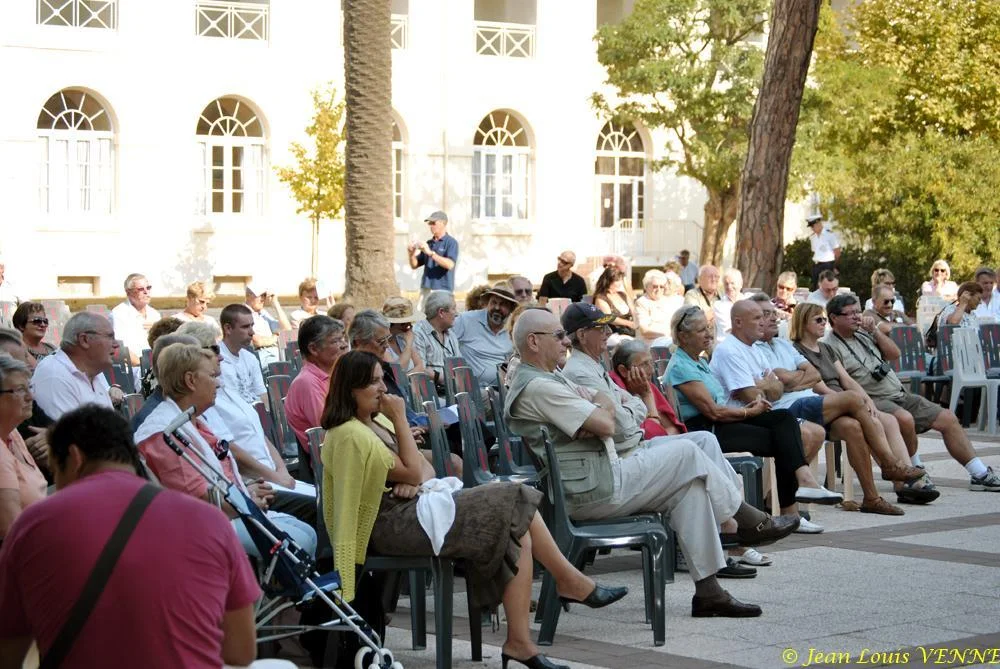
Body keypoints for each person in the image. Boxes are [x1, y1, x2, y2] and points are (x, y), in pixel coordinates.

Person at [322, 350, 627, 669]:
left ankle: (521, 641)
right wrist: (402, 430)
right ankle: (567, 583)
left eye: (382, 380)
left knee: (517, 528)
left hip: (414, 507)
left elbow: (425, 469)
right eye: (373, 382)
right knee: (514, 497)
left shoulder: (376, 421)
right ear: (350, 388)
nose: (383, 389)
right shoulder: (349, 433)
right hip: (388, 525)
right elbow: (413, 470)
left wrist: (411, 477)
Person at [506, 309, 798, 618]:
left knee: (689, 488)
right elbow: (609, 424)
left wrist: (605, 405)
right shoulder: (540, 386)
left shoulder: (551, 377)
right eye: (558, 336)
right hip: (593, 488)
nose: (565, 341)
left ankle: (709, 592)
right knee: (687, 453)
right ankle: (747, 521)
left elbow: (617, 411)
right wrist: (606, 407)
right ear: (534, 342)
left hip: (601, 472)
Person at [0, 405, 288, 668]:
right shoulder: (210, 520)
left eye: (55, 469)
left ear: (74, 458)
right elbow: (241, 651)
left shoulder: (31, 527)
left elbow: (11, 654)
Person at [563, 309, 761, 575]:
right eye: (601, 328)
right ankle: (736, 524)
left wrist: (636, 406)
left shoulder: (594, 365)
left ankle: (722, 546)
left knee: (704, 441)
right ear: (582, 334)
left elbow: (633, 409)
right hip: (618, 458)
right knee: (689, 456)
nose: (608, 333)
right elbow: (622, 426)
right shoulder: (580, 372)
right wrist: (638, 406)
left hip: (631, 446)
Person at [666, 304, 842, 531]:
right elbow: (714, 411)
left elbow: (776, 388)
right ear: (683, 336)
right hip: (707, 431)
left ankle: (800, 491)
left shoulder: (698, 361)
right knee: (786, 440)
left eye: (708, 328)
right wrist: (749, 411)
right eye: (701, 330)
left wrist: (760, 397)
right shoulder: (682, 366)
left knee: (783, 419)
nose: (709, 334)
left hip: (722, 421)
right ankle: (792, 508)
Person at [135, 343, 317, 558]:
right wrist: (247, 501)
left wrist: (247, 490)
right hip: (201, 525)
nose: (219, 383)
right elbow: (197, 499)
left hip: (230, 506)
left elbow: (221, 473)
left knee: (307, 533)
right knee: (301, 541)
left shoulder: (192, 418)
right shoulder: (165, 432)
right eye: (212, 376)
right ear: (190, 381)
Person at [823, 293, 1000, 493]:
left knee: (948, 418)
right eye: (850, 313)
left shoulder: (864, 333)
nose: (857, 317)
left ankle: (979, 473)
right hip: (873, 398)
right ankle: (916, 470)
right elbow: (841, 382)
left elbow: (894, 354)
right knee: (904, 419)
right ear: (834, 317)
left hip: (898, 393)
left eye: (858, 312)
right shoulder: (830, 346)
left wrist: (875, 331)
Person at [790, 302, 937, 505]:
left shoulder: (825, 348)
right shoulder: (796, 350)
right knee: (868, 422)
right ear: (803, 323)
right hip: (827, 403)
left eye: (824, 319)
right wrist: (850, 402)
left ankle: (903, 480)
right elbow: (819, 387)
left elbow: (846, 379)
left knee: (889, 420)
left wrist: (866, 400)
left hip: (848, 399)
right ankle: (898, 477)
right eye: (819, 320)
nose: (824, 323)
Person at [32, 312, 123, 420]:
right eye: (110, 337)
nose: (116, 344)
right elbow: (68, 430)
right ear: (84, 340)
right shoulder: (55, 375)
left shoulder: (93, 372)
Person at [0, 355, 47, 540]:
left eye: (29, 387)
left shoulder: (12, 432)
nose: (30, 397)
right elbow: (11, 532)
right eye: (20, 390)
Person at [286, 315, 349, 452]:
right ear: (313, 349)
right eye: (336, 341)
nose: (344, 345)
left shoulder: (335, 374)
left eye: (343, 339)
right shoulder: (307, 382)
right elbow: (330, 428)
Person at [452, 282, 517, 388]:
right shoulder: (466, 320)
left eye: (503, 304)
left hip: (505, 389)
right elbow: (444, 338)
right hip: (473, 389)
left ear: (511, 308)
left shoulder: (514, 327)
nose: (497, 307)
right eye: (493, 302)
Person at [412, 290, 461, 394]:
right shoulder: (418, 333)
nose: (457, 314)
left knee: (485, 395)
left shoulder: (451, 335)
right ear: (441, 312)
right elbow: (420, 370)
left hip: (454, 390)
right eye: (453, 308)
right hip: (431, 393)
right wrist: (442, 378)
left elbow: (459, 366)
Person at [219, 304, 267, 406]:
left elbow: (262, 394)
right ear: (228, 328)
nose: (252, 332)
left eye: (252, 326)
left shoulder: (251, 358)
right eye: (245, 327)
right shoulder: (216, 360)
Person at [110, 273, 161, 367]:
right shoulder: (118, 314)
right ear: (128, 292)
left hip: (155, 367)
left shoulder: (155, 314)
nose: (146, 292)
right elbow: (120, 348)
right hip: (132, 368)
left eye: (148, 288)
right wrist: (143, 366)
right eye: (141, 289)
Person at [408, 210, 459, 302]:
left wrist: (430, 253)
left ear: (443, 223)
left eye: (433, 223)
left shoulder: (451, 242)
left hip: (443, 290)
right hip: (426, 288)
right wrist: (411, 254)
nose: (430, 226)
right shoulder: (429, 243)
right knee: (422, 311)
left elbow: (450, 265)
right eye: (429, 223)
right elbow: (414, 265)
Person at [244, 284, 291, 370]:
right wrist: (276, 337)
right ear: (248, 296)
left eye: (264, 295)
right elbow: (257, 342)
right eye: (260, 296)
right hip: (261, 356)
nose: (262, 299)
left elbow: (287, 331)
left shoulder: (263, 313)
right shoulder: (243, 312)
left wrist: (276, 304)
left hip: (274, 356)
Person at [634, 269, 682, 346]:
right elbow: (644, 331)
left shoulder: (667, 300)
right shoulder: (642, 302)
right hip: (650, 344)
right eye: (655, 286)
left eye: (661, 287)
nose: (658, 290)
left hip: (669, 341)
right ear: (646, 287)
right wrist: (666, 334)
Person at [382, 296, 426, 374]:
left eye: (410, 322)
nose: (409, 326)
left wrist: (406, 377)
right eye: (403, 323)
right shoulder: (382, 345)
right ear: (391, 324)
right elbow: (397, 372)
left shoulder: (402, 338)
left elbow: (420, 366)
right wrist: (408, 345)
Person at [593, 266, 637, 339]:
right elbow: (609, 318)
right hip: (613, 334)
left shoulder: (623, 294)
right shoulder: (601, 298)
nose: (620, 282)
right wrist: (630, 324)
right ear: (608, 281)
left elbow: (634, 311)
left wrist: (637, 323)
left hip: (630, 331)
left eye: (620, 280)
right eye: (617, 280)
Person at [806, 214, 841, 289]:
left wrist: (834, 266)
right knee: (816, 288)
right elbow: (814, 252)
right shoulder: (813, 237)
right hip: (816, 265)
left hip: (827, 265)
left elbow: (837, 252)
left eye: (813, 226)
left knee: (827, 287)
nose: (812, 229)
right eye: (811, 227)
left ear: (819, 224)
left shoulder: (829, 235)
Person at [713, 268, 748, 341]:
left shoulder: (749, 301)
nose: (729, 287)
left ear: (741, 284)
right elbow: (729, 329)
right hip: (726, 343)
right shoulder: (719, 305)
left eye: (732, 283)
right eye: (726, 284)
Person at [683, 265, 721, 330]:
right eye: (710, 276)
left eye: (716, 276)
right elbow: (695, 318)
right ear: (700, 279)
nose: (714, 279)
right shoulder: (692, 294)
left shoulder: (722, 296)